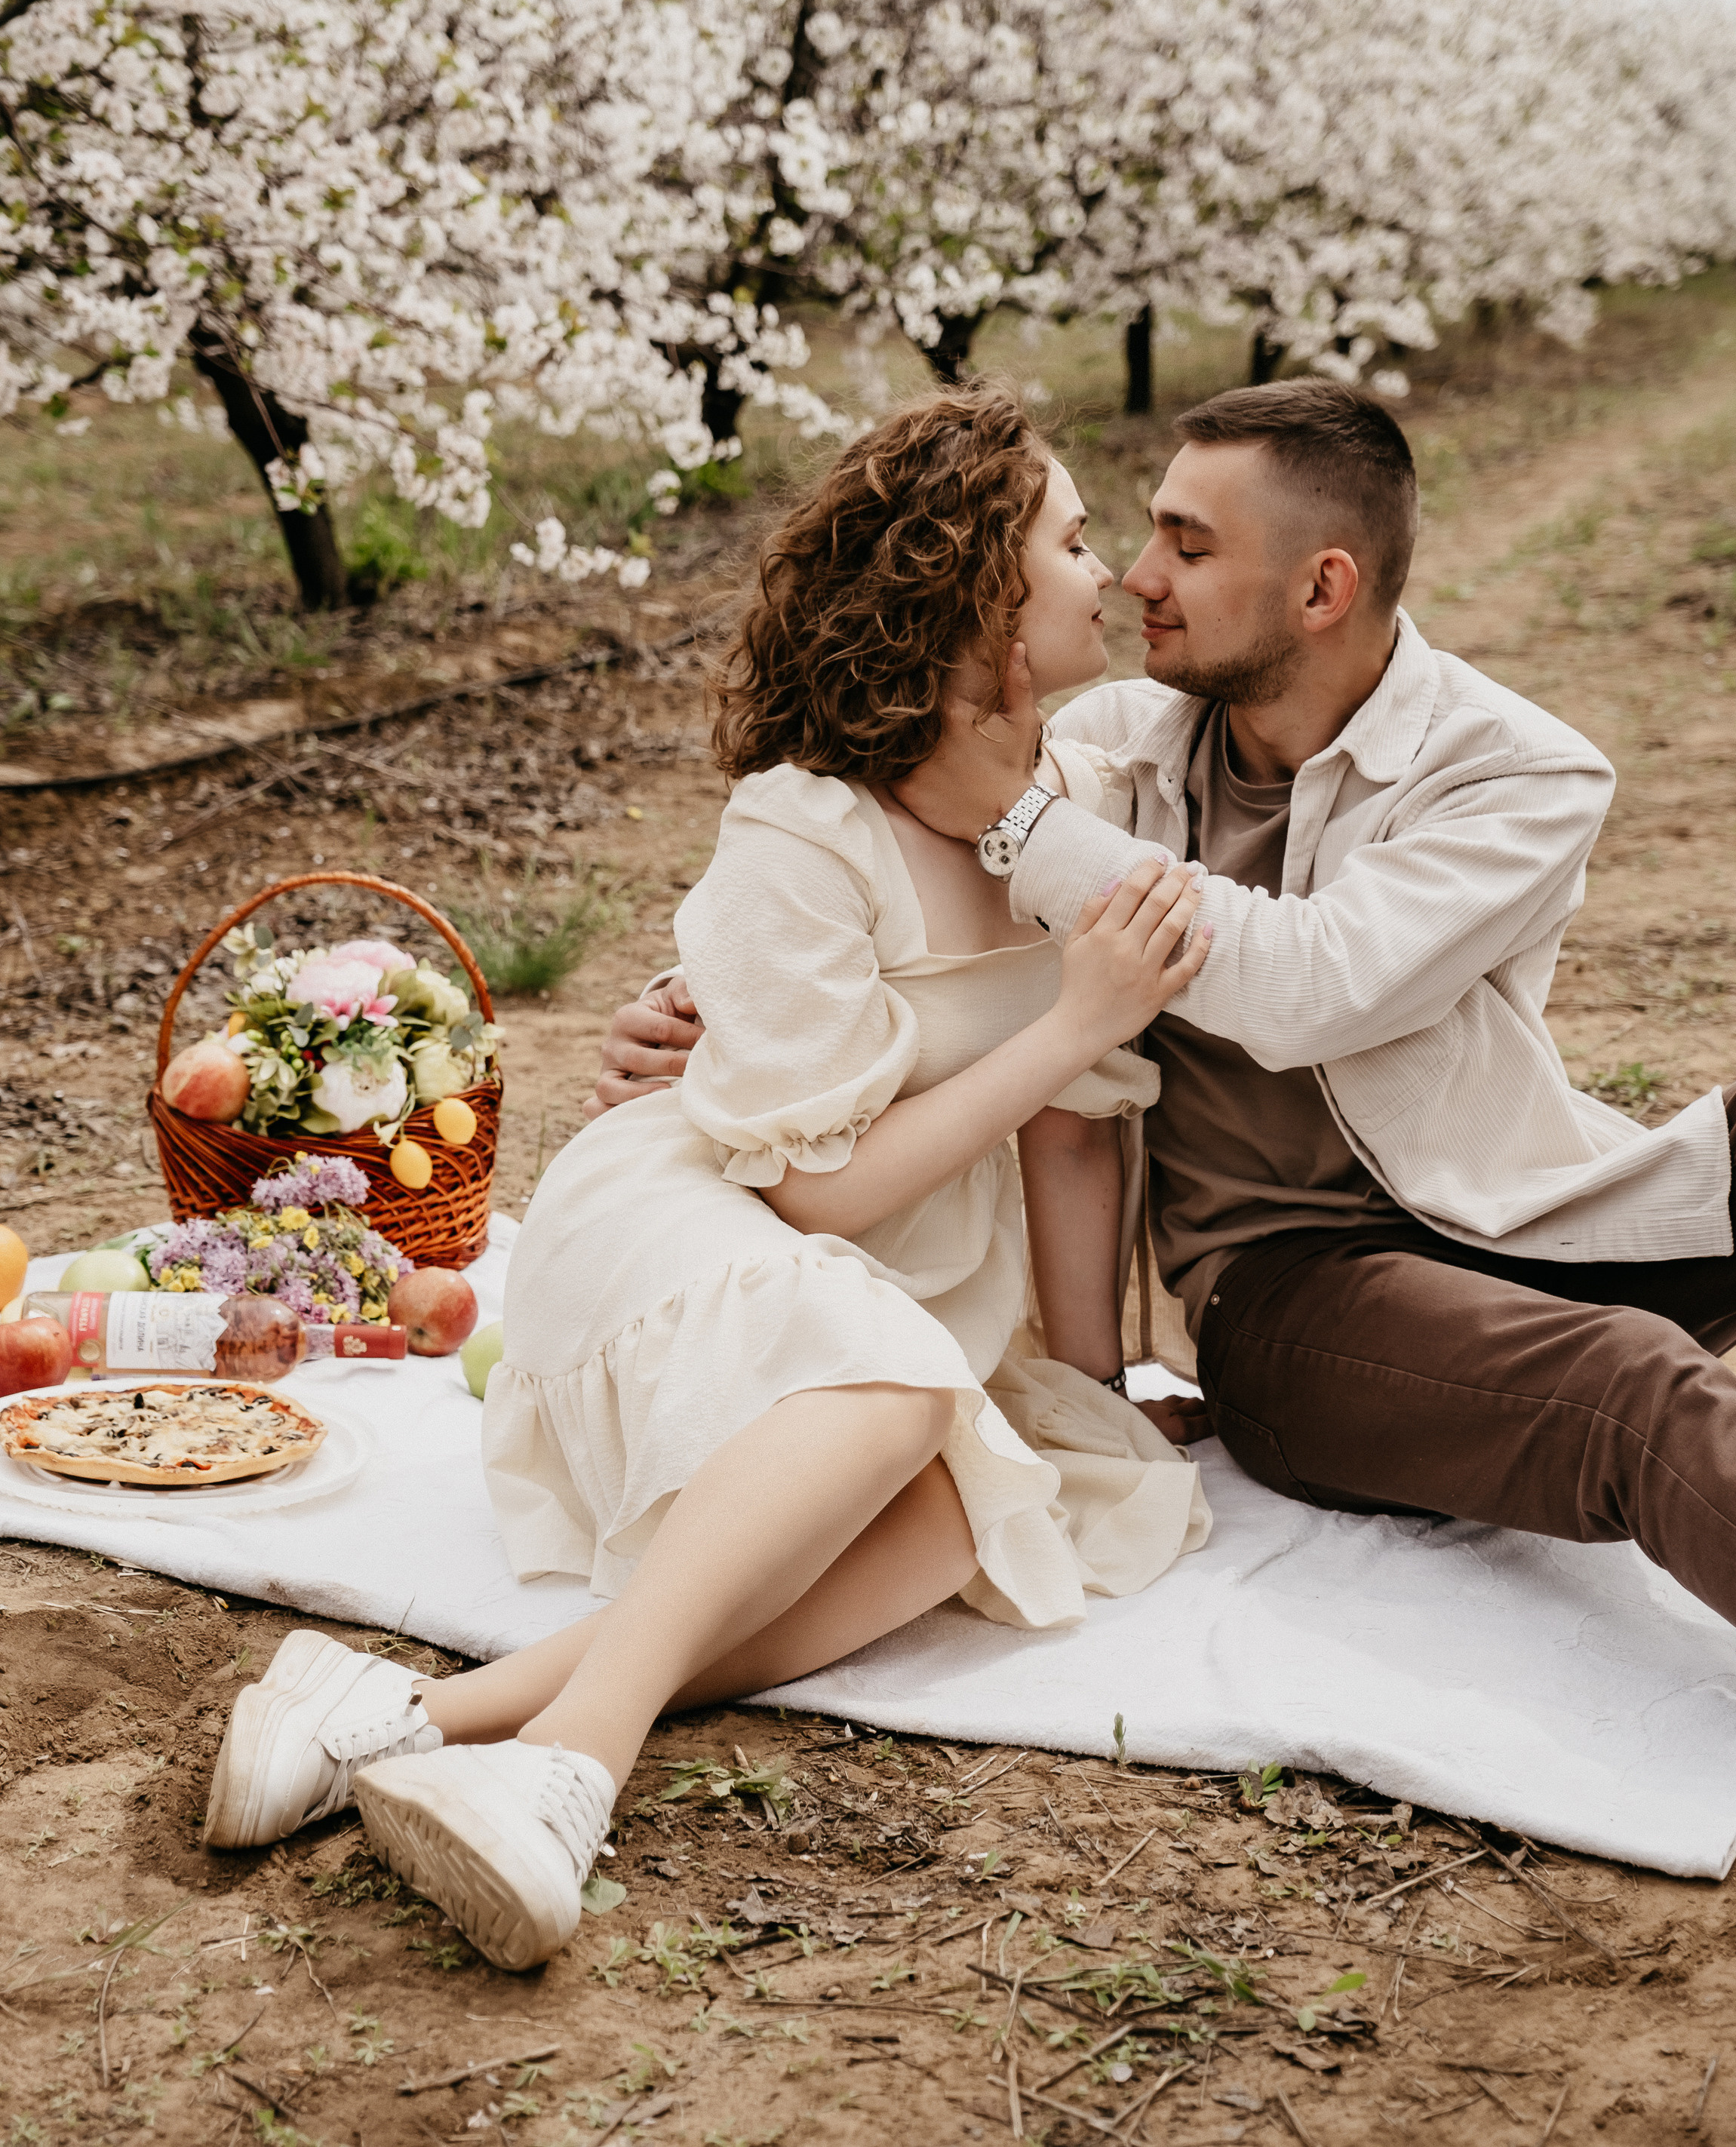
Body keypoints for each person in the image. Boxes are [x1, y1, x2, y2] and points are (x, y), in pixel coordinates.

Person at [200, 388, 1215, 1970]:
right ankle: (570, 1772)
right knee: (894, 1397)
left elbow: (1073, 1127)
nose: (1108, 573)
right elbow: (815, 1191)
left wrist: (1087, 1380)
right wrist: (1078, 1013)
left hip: (899, 1272)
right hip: (702, 1209)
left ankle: (400, 1711)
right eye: (1077, 541)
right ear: (976, 596)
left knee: (960, 1513)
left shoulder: (1066, 813)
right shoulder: (804, 819)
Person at [599, 376, 1736, 1666]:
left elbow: (1305, 987)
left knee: (1624, 1324)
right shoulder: (1116, 746)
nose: (1135, 577)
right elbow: (867, 863)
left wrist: (1025, 826)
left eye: (1188, 548)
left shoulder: (1516, 773)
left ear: (1321, 590)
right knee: (1634, 1395)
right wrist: (688, 997)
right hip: (1297, 1294)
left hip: (1508, 1227)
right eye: (1135, 533)